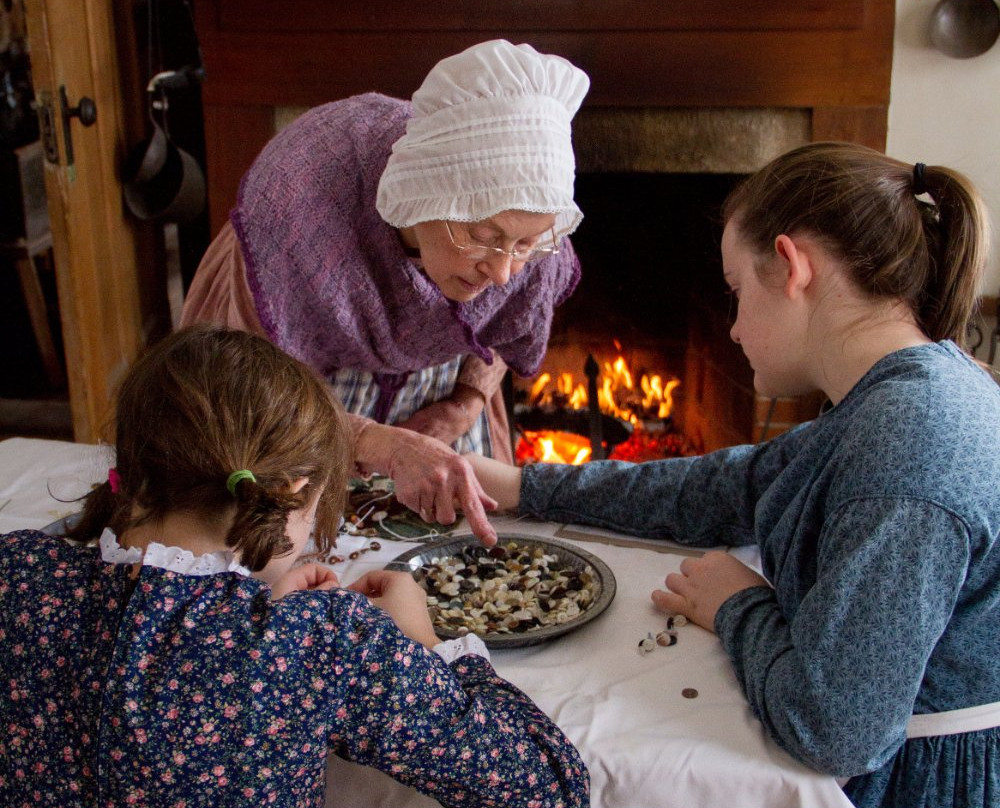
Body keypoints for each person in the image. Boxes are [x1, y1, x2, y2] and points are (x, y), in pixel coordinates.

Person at [467, 142, 1000, 808]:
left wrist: (736, 605)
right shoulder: (893, 396)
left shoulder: (912, 442)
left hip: (915, 786)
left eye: (736, 292)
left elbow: (836, 729)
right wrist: (520, 485)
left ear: (791, 266)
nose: (736, 329)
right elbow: (728, 487)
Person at [0, 325, 589, 807]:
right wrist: (426, 644)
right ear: (293, 492)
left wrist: (260, 614)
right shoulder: (325, 639)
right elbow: (550, 787)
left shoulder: (18, 574)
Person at [180, 39, 591, 546]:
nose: (503, 272)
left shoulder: (526, 234)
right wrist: (378, 444)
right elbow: (251, 384)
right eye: (481, 238)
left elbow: (507, 315)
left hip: (439, 369)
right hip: (292, 369)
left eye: (525, 244)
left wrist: (461, 406)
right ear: (422, 196)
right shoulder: (298, 205)